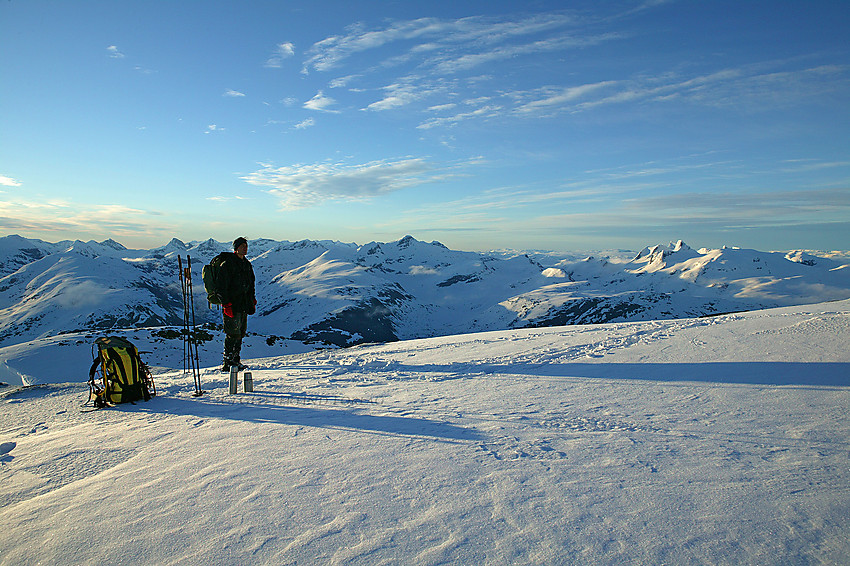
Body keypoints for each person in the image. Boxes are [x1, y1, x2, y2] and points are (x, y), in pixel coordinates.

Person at [219, 237, 256, 372]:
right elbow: (221, 287)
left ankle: (236, 360)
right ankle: (228, 362)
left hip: (243, 305)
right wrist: (226, 304)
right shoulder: (228, 264)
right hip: (232, 305)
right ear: (236, 248)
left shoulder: (246, 264)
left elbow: (251, 284)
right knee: (232, 333)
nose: (245, 248)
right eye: (242, 246)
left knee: (240, 333)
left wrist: (252, 300)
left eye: (246, 246)